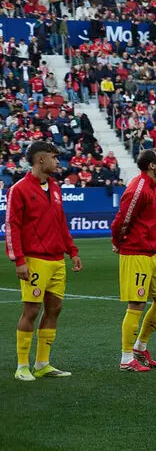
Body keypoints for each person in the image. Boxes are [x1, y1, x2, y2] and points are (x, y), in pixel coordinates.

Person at [7, 141, 81, 381]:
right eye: (54, 157)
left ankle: (42, 363)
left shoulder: (55, 187)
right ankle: (21, 366)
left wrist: (72, 251)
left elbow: (61, 222)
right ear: (41, 160)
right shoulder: (19, 189)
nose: (57, 162)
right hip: (34, 259)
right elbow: (12, 227)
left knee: (54, 309)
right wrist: (18, 259)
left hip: (57, 259)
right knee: (31, 310)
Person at [112, 150, 156, 373]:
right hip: (135, 252)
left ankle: (140, 347)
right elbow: (121, 220)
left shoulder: (152, 186)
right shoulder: (139, 188)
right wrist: (118, 243)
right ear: (152, 166)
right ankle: (126, 358)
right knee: (136, 303)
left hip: (151, 253)